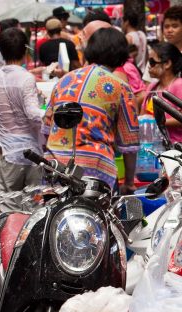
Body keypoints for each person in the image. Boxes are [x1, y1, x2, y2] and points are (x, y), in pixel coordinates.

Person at [45, 27, 139, 192]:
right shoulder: (121, 87)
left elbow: (46, 127)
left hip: (55, 168)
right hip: (96, 172)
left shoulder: (64, 80)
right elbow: (129, 143)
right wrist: (129, 183)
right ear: (121, 54)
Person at [0, 28, 44, 212]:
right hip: (32, 151)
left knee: (8, 203)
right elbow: (33, 113)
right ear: (25, 50)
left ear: (2, 51)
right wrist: (49, 111)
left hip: (7, 150)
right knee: (33, 205)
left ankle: (8, 239)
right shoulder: (27, 78)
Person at [142, 42, 182, 143]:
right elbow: (143, 115)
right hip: (154, 145)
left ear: (167, 64)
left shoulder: (179, 84)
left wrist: (158, 122)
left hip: (175, 147)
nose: (149, 66)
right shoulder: (152, 86)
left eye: (152, 62)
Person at [114, 44, 146, 110]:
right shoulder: (128, 65)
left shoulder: (126, 67)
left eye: (135, 56)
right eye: (133, 56)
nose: (134, 58)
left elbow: (135, 85)